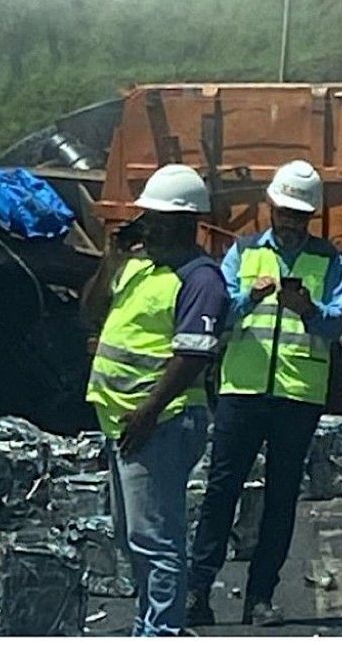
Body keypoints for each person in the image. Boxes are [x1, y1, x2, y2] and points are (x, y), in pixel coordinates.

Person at [185, 159, 342, 627]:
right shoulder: (242, 253)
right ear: (271, 207)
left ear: (311, 217)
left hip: (298, 395)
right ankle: (198, 591)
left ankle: (260, 598)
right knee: (222, 492)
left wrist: (308, 310)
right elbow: (218, 314)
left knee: (281, 499)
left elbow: (337, 323)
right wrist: (249, 298)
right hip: (243, 389)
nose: (291, 223)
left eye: (300, 216)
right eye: (285, 213)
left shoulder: (329, 260)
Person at [83, 164, 230, 637]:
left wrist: (145, 414)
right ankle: (150, 627)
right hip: (124, 421)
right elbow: (90, 312)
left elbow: (192, 357)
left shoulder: (201, 278)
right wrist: (110, 259)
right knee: (134, 539)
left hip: (161, 422)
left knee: (156, 539)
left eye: (157, 219)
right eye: (144, 218)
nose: (147, 227)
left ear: (186, 223)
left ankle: (162, 632)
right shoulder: (141, 267)